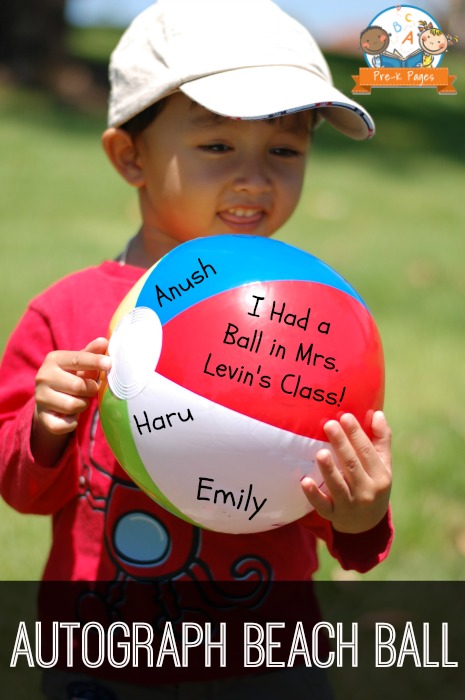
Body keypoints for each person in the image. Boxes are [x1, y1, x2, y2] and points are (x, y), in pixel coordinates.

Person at [0, 0, 393, 698]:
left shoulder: (314, 322)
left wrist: (359, 515)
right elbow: (22, 489)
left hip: (270, 665)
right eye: (216, 146)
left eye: (284, 149)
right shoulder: (66, 312)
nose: (254, 178)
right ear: (130, 157)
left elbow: (347, 529)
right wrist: (45, 431)